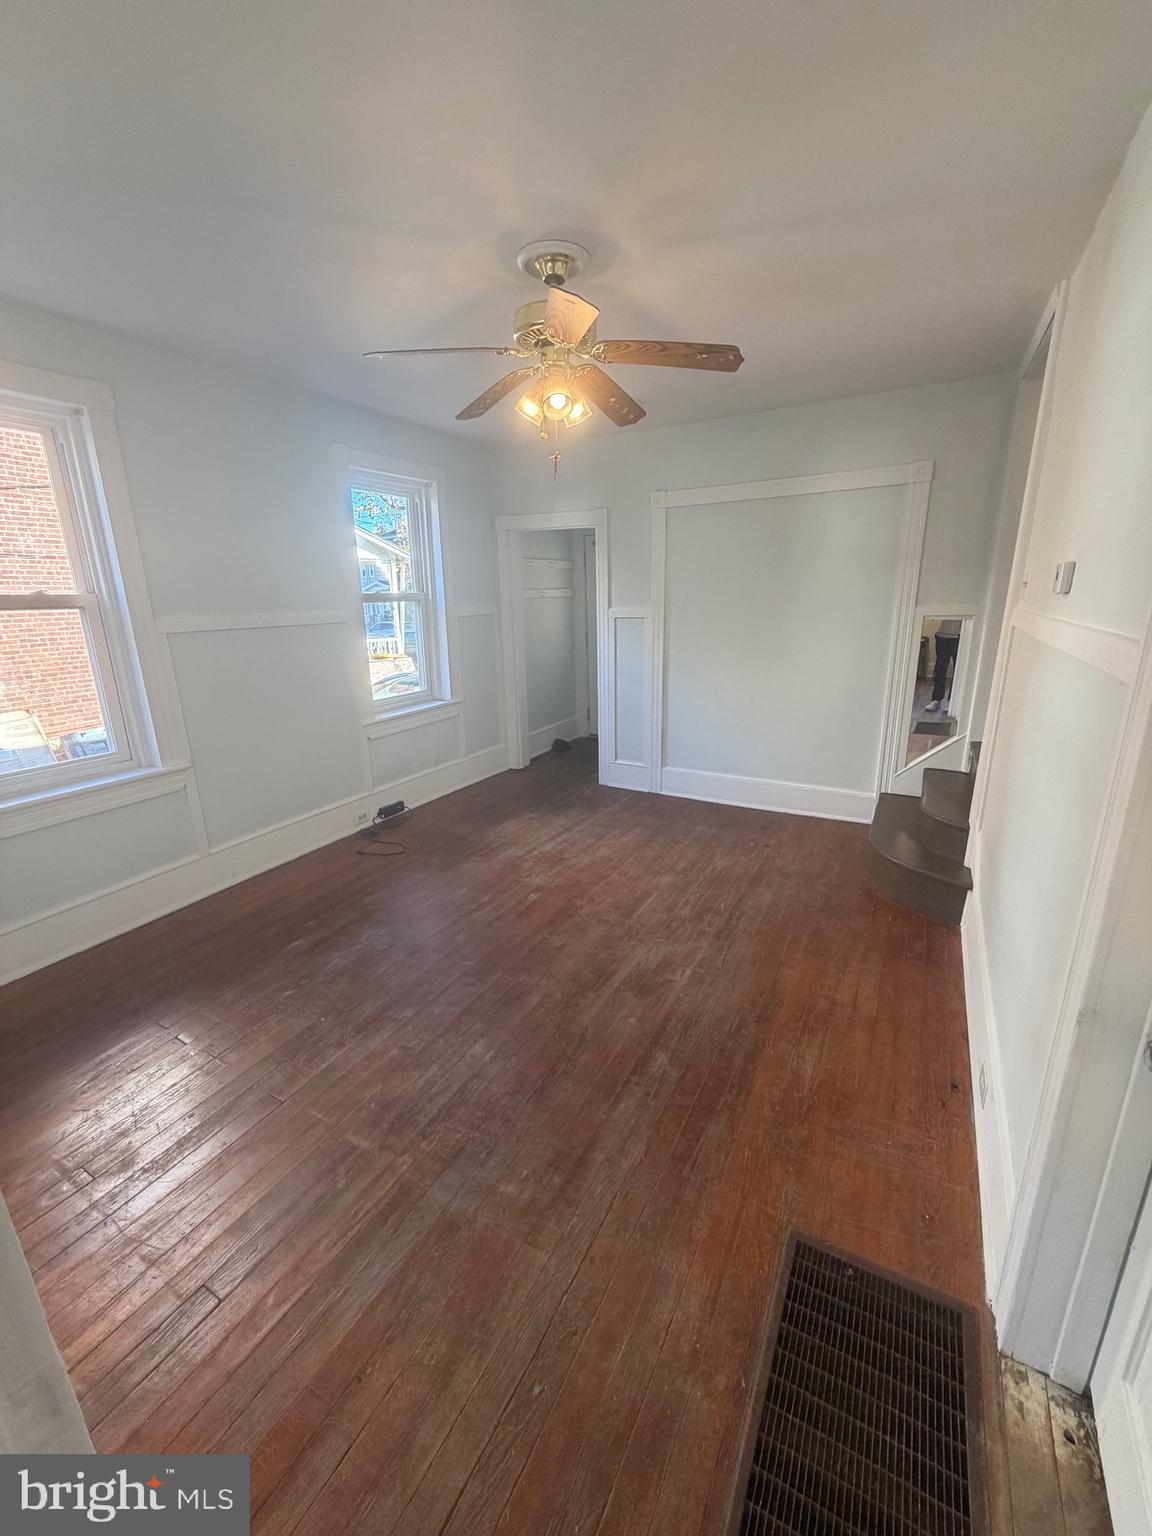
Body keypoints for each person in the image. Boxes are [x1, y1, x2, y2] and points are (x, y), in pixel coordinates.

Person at [925, 620, 961, 712]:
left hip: (960, 634)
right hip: (942, 634)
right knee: (940, 668)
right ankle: (936, 699)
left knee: (959, 669)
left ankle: (952, 701)